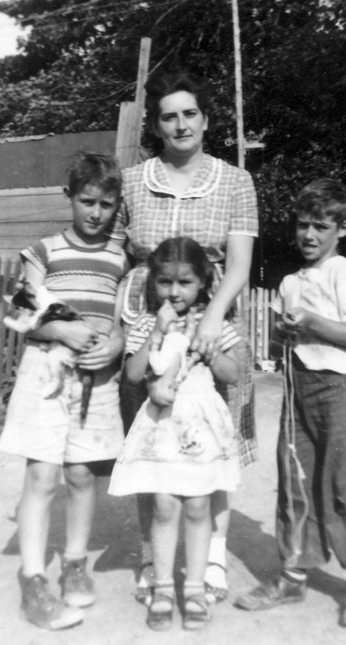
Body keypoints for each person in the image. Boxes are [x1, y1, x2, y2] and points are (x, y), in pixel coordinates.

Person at [108, 69, 259, 605]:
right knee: (151, 439)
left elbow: (238, 263)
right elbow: (116, 255)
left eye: (189, 113)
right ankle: (154, 558)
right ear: (156, 124)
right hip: (147, 323)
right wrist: (121, 325)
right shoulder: (131, 180)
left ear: (206, 120)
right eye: (169, 116)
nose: (180, 124)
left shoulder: (236, 180)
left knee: (214, 442)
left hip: (213, 314)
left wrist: (214, 318)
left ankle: (211, 559)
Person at [235, 178, 346, 627]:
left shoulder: (344, 271)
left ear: (341, 229)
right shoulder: (289, 282)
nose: (309, 235)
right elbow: (289, 335)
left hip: (337, 388)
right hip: (297, 386)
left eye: (321, 226)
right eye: (303, 225)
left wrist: (315, 323)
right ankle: (292, 575)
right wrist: (285, 331)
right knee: (294, 476)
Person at [0, 152, 129, 630]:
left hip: (98, 377)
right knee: (42, 476)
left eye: (107, 204)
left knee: (80, 475)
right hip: (47, 373)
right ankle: (33, 578)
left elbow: (122, 320)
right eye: (87, 201)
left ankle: (75, 562)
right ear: (69, 197)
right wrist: (61, 333)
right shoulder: (45, 251)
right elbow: (19, 312)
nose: (96, 213)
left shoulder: (121, 256)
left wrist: (113, 346)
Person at [109, 236, 242, 630]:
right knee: (165, 504)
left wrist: (211, 349)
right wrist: (155, 335)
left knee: (199, 504)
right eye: (165, 282)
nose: (174, 291)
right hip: (162, 430)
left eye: (185, 283)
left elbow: (234, 374)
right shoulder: (150, 322)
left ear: (202, 282)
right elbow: (132, 376)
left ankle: (196, 587)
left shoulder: (215, 323)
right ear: (154, 283)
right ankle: (163, 586)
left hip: (199, 429)